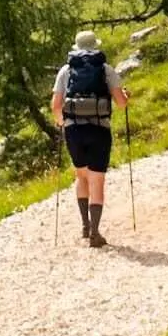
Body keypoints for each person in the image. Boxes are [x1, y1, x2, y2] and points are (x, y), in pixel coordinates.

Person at [52, 29, 129, 247]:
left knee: (81, 176)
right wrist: (126, 97)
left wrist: (62, 122)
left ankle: (85, 226)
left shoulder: (66, 71)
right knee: (97, 180)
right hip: (99, 130)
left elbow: (56, 105)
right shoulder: (105, 70)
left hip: (74, 130)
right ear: (95, 46)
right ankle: (96, 232)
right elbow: (121, 103)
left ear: (76, 48)